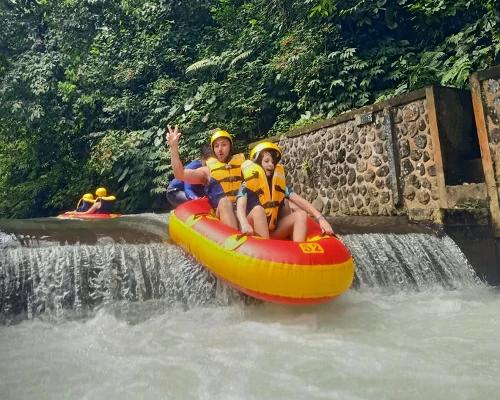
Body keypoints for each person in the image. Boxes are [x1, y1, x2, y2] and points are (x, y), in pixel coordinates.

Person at [236, 142, 334, 242]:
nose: (271, 164)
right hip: (253, 231)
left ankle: (298, 252)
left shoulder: (279, 185)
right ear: (257, 163)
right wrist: (244, 224)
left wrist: (321, 218)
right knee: (258, 210)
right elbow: (240, 206)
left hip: (272, 231)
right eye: (266, 161)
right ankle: (267, 250)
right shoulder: (246, 184)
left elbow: (300, 201)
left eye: (273, 162)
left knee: (301, 214)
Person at [166, 125, 245, 229]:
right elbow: (180, 174)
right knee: (225, 202)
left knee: (257, 209)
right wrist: (174, 148)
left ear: (230, 146)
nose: (220, 149)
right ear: (213, 150)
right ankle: (234, 239)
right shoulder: (207, 171)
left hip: (243, 212)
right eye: (216, 146)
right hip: (222, 212)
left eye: (224, 145)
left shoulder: (243, 165)